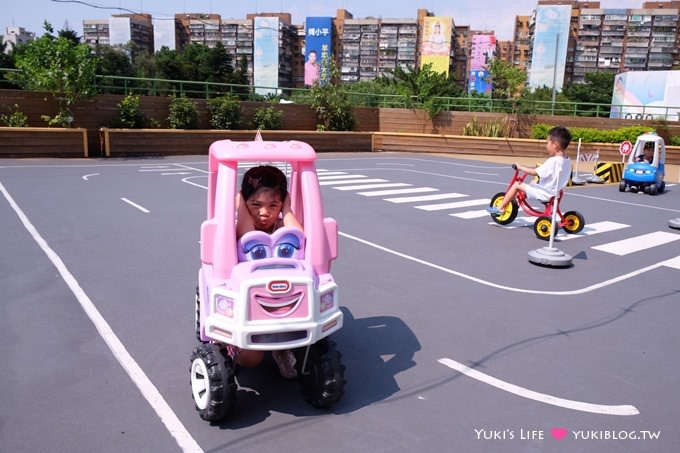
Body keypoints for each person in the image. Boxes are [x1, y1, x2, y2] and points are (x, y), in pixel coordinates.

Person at [233, 165, 303, 378]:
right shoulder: (239, 225)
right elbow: (247, 237)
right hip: (249, 300)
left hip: (282, 295)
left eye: (274, 205)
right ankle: (229, 350)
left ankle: (281, 351)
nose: (265, 213)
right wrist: (240, 204)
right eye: (256, 205)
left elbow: (299, 240)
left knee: (299, 335)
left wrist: (288, 210)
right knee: (251, 359)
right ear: (244, 203)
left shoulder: (282, 225)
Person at [486, 126, 573, 217]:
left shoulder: (553, 161)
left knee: (516, 185)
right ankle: (520, 198)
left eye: (547, 143)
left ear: (555, 144)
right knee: (533, 181)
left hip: (545, 193)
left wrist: (521, 167)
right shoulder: (567, 160)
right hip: (555, 191)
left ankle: (501, 208)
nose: (546, 146)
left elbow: (535, 172)